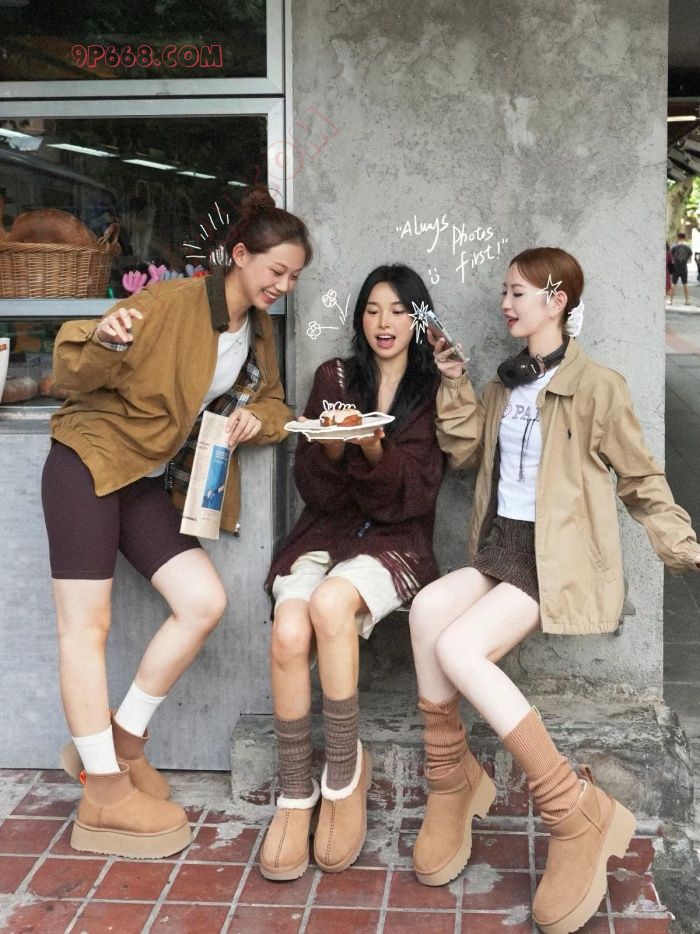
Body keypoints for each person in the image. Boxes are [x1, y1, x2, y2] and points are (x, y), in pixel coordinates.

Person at [408, 247, 700, 934]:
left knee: (460, 648)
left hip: (554, 559)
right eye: (504, 292)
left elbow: (640, 478)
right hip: (501, 547)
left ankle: (574, 811)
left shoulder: (597, 388)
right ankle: (452, 781)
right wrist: (455, 383)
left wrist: (683, 544)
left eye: (518, 292)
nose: (505, 303)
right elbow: (465, 454)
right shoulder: (505, 384)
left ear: (556, 299)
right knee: (426, 611)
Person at [41, 186, 312, 859]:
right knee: (85, 627)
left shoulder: (256, 330)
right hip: (86, 463)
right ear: (239, 255)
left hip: (140, 480)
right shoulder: (170, 302)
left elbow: (275, 405)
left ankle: (124, 741)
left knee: (202, 601)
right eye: (276, 271)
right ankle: (103, 793)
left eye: (293, 277)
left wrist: (253, 419)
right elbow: (72, 361)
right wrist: (106, 337)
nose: (283, 286)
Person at [260, 265, 446, 880]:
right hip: (326, 531)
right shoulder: (335, 380)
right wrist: (336, 446)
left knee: (330, 603)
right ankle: (295, 792)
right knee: (290, 629)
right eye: (371, 309)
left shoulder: (431, 390)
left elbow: (414, 495)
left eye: (397, 311)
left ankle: (343, 776)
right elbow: (313, 489)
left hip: (396, 538)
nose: (383, 323)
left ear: (417, 319)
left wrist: (372, 449)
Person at [669, 231, 693, 305]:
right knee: (685, 284)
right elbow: (689, 257)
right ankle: (687, 301)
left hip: (675, 268)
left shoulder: (674, 247)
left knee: (673, 284)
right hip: (684, 268)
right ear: (684, 238)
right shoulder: (688, 248)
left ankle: (670, 301)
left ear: (678, 237)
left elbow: (670, 256)